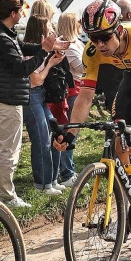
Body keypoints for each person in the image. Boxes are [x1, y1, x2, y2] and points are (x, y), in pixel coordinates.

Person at [55, 0, 131, 210]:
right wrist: (70, 134)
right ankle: (130, 197)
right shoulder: (92, 52)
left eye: (104, 37)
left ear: (120, 30)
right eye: (94, 38)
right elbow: (85, 97)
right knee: (118, 129)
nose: (100, 44)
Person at [0, 0, 68, 208]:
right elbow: (22, 68)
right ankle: (7, 195)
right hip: (7, 99)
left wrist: (47, 47)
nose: (23, 15)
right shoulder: (1, 37)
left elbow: (21, 47)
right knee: (9, 149)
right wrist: (46, 51)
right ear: (12, 13)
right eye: (21, 11)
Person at [21, 15, 66, 194]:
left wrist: (52, 58)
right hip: (30, 96)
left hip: (39, 96)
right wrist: (51, 64)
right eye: (48, 28)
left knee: (55, 133)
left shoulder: (40, 50)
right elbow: (37, 80)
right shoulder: (27, 53)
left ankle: (52, 179)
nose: (51, 32)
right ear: (40, 31)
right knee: (41, 140)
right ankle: (42, 184)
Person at [49, 12, 85, 187]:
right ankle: (67, 172)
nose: (81, 24)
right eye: (78, 21)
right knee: (70, 131)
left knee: (73, 130)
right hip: (72, 90)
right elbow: (81, 67)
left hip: (79, 88)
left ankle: (67, 170)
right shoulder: (68, 45)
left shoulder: (77, 42)